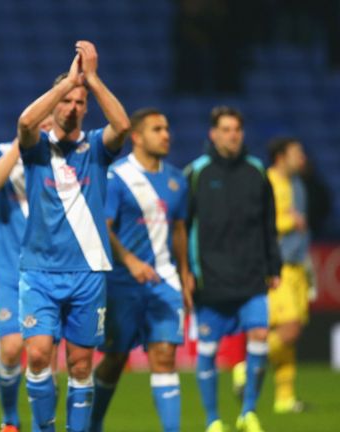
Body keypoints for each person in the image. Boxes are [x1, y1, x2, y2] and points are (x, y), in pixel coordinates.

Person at [16, 41, 130, 432]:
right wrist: (67, 84)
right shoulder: (36, 150)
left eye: (80, 102)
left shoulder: (96, 147)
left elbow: (124, 127)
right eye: (67, 101)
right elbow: (26, 123)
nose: (73, 108)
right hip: (40, 273)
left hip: (88, 273)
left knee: (81, 364)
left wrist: (92, 80)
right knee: (38, 356)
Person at [89, 109, 193, 432]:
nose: (166, 134)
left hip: (165, 281)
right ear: (136, 136)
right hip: (121, 283)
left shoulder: (177, 180)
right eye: (157, 129)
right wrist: (131, 261)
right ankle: (92, 424)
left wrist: (186, 275)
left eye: (167, 128)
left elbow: (178, 229)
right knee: (115, 359)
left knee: (164, 357)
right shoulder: (116, 176)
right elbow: (102, 227)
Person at [185, 106, 281, 432]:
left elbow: (269, 224)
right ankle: (213, 419)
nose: (232, 135)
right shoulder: (197, 173)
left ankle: (249, 412)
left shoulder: (256, 171)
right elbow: (181, 227)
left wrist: (274, 265)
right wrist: (186, 270)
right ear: (213, 134)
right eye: (225, 129)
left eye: (236, 130)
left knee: (259, 335)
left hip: (252, 276)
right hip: (209, 279)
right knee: (209, 351)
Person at [0, 116, 54, 432]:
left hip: (50, 270)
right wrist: (20, 144)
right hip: (9, 269)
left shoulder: (62, 159)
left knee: (43, 353)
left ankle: (42, 423)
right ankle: (10, 419)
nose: (45, 128)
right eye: (40, 121)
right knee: (10, 348)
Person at [266, 137, 310, 414]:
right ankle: (247, 366)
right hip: (277, 267)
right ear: (281, 156)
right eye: (297, 153)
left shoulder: (297, 184)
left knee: (291, 334)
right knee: (289, 326)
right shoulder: (268, 181)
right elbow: (262, 224)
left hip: (297, 266)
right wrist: (289, 221)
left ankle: (285, 397)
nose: (302, 157)